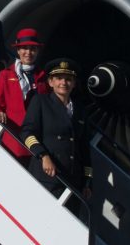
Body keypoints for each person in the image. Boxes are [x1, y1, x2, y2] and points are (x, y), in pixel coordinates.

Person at [21, 57, 92, 199]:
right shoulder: (41, 102)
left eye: (68, 79)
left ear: (74, 84)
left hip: (73, 181)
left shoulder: (80, 110)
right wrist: (43, 156)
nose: (63, 83)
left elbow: (84, 149)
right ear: (50, 82)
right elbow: (27, 133)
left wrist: (87, 183)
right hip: (47, 178)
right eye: (59, 78)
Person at [0, 28, 48, 159]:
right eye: (24, 48)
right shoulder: (5, 74)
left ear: (38, 51)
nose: (28, 52)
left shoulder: (44, 77)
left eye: (33, 49)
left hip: (36, 140)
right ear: (18, 50)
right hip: (12, 138)